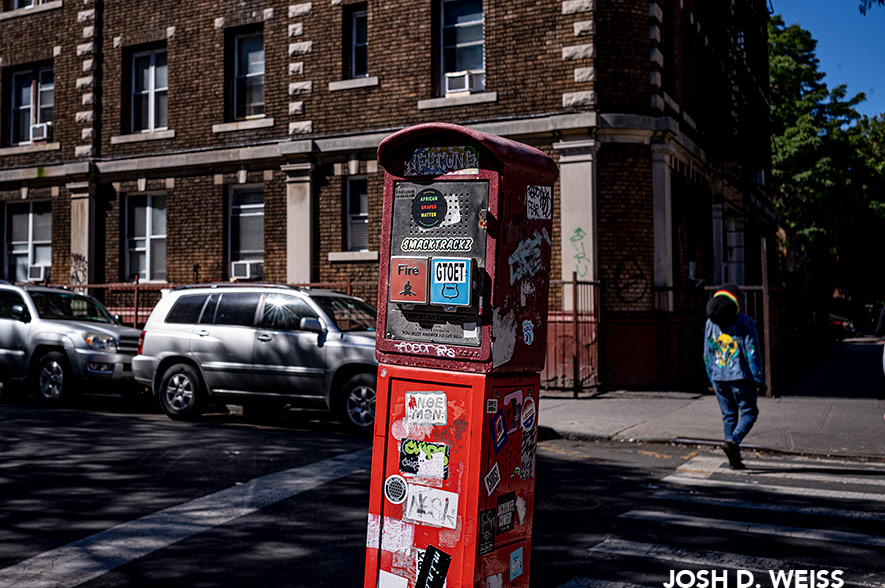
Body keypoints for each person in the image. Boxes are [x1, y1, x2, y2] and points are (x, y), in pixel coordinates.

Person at [703, 284, 766, 470]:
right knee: (749, 412)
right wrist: (758, 379)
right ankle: (733, 441)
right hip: (741, 377)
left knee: (729, 416)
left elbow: (707, 354)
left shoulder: (709, 324)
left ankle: (734, 459)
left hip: (718, 377)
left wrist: (711, 377)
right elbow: (752, 352)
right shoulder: (745, 322)